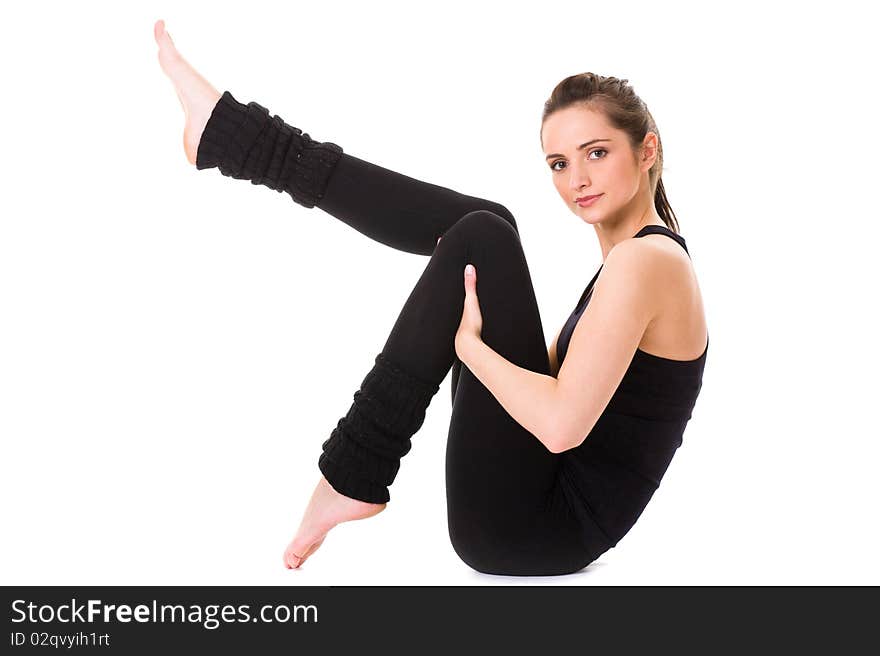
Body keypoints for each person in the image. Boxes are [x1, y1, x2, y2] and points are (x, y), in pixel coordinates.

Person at [153, 19, 708, 576]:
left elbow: (561, 425)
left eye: (597, 153)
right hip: (531, 512)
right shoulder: (637, 261)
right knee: (490, 229)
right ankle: (235, 140)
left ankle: (355, 468)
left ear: (646, 151)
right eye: (560, 164)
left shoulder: (647, 261)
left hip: (532, 529)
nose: (577, 180)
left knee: (486, 237)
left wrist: (471, 348)